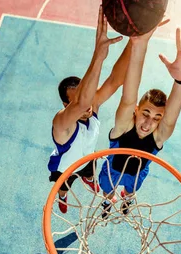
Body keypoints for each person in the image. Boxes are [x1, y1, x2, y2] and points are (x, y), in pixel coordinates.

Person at [98, 24, 181, 218]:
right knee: (108, 191)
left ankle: (127, 197)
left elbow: (170, 119)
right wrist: (139, 45)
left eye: (156, 118)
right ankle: (109, 200)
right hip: (112, 170)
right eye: (145, 114)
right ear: (136, 111)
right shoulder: (124, 126)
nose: (148, 123)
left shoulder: (158, 135)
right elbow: (128, 98)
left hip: (136, 175)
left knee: (131, 190)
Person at [48, 6, 132, 214]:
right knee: (63, 187)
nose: (85, 103)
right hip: (66, 168)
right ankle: (63, 195)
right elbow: (81, 105)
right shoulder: (61, 123)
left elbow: (114, 81)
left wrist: (136, 41)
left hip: (86, 158)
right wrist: (98, 57)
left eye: (84, 94)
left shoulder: (91, 106)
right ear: (66, 105)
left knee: (90, 170)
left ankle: (87, 178)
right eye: (76, 100)